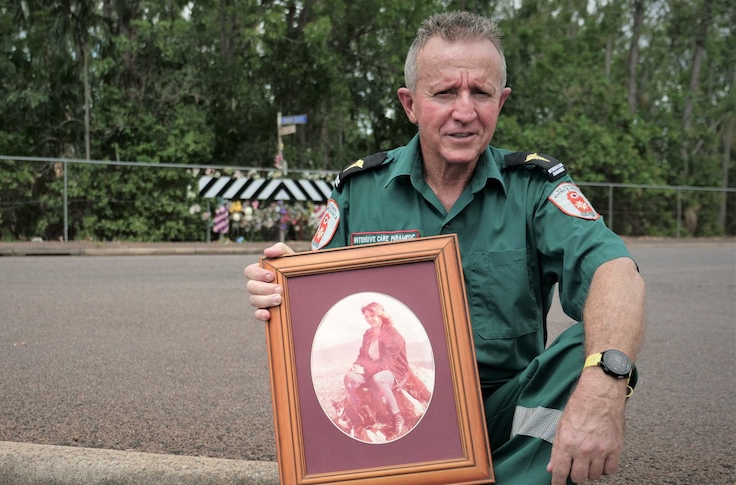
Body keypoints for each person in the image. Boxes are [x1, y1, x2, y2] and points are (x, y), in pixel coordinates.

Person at [245, 10, 645, 485]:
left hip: (504, 411)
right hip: (411, 414)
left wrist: (603, 388)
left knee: (599, 346)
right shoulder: (359, 191)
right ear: (410, 103)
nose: (464, 111)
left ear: (503, 99)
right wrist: (283, 288)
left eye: (481, 92)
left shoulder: (535, 188)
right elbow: (319, 314)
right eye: (444, 93)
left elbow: (616, 272)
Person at [344, 302, 410, 439]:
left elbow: (388, 361)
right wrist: (356, 365)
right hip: (372, 371)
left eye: (372, 315)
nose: (369, 319)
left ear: (381, 314)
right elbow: (362, 355)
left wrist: (366, 369)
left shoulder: (391, 332)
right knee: (349, 377)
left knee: (378, 379)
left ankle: (397, 417)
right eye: (366, 316)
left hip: (393, 372)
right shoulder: (368, 334)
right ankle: (365, 414)